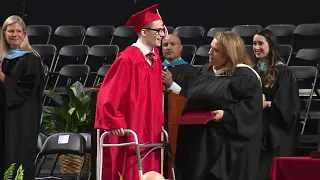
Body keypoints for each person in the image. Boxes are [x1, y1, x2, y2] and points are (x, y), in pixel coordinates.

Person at [175, 31, 263, 180]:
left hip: (223, 144)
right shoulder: (206, 72)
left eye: (216, 50)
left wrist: (226, 115)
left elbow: (251, 110)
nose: (209, 52)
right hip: (198, 140)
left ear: (229, 53)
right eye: (210, 48)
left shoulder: (244, 77)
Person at [94, 4, 167, 180]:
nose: (163, 34)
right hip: (133, 125)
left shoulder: (155, 57)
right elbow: (108, 93)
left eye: (163, 29)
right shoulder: (128, 59)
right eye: (158, 31)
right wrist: (115, 120)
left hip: (151, 128)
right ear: (144, 32)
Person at [0, 15, 44, 179]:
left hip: (22, 118)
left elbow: (27, 89)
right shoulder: (3, 58)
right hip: (4, 115)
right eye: (10, 31)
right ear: (4, 33)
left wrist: (3, 77)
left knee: (16, 156)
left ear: (25, 34)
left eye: (19, 31)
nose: (15, 34)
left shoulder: (31, 58)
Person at [253, 29, 300, 180]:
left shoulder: (283, 72)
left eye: (261, 43)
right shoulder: (251, 72)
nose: (256, 47)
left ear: (271, 46)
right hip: (255, 130)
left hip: (275, 131)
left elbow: (287, 106)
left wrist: (268, 103)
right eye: (254, 44)